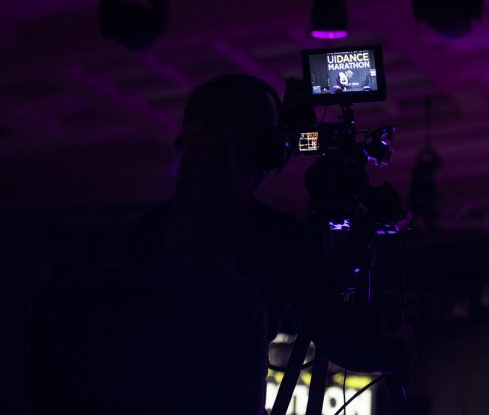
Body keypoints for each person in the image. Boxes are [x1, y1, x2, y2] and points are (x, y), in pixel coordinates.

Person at [127, 74, 412, 375]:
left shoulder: (144, 233)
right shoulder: (282, 240)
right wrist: (397, 349)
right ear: (269, 150)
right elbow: (345, 345)